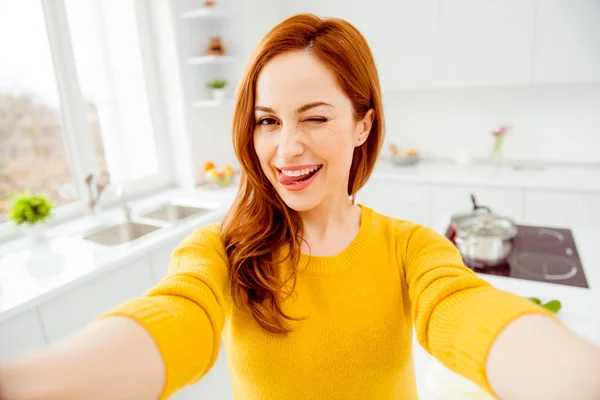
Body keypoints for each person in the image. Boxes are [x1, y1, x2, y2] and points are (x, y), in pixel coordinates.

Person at [1, 13, 599, 400]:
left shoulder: (411, 248)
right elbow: (174, 319)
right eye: (268, 121)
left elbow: (467, 313)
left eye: (315, 117)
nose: (286, 148)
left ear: (363, 125)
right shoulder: (219, 252)